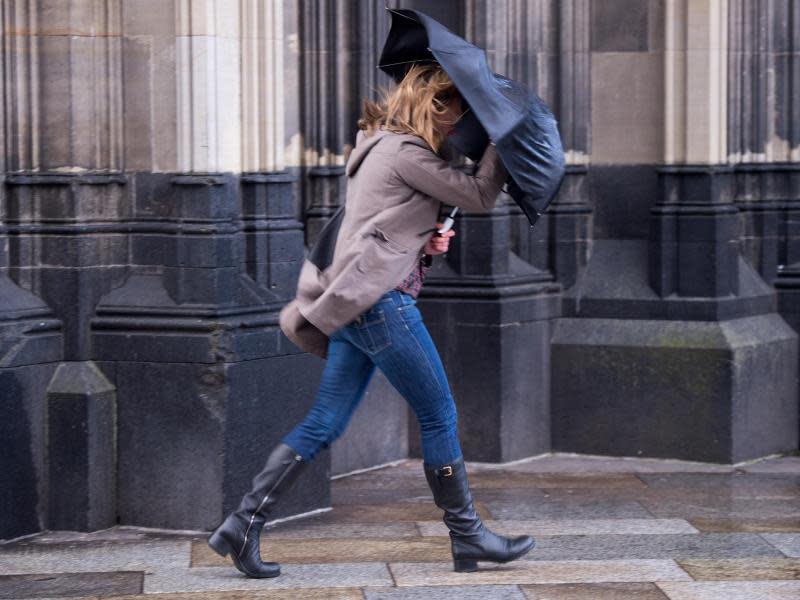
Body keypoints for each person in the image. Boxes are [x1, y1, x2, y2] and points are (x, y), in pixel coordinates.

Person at [207, 63, 535, 578]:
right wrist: (500, 141)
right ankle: (468, 536)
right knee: (439, 415)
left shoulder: (382, 147)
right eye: (457, 111)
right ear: (434, 104)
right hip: (382, 305)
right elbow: (478, 194)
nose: (459, 123)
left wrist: (428, 245)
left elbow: (383, 234)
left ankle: (242, 523)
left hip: (358, 303)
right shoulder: (404, 152)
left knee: (324, 422)